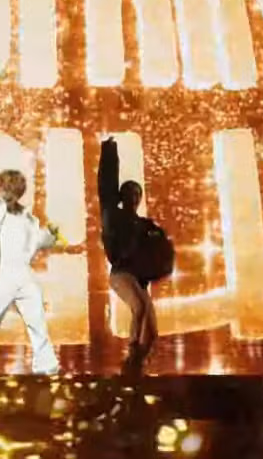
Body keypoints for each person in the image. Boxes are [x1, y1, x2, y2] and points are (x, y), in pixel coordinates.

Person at [0, 143, 63, 376]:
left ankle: (47, 367)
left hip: (24, 276)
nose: (7, 192)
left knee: (37, 321)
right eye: (4, 188)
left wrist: (52, 235)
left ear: (19, 192)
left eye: (12, 189)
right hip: (1, 277)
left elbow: (38, 241)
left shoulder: (28, 219)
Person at [98, 137, 167, 374]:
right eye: (129, 193)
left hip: (137, 279)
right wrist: (109, 152)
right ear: (122, 197)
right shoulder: (113, 215)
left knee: (153, 332)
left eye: (137, 193)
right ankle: (132, 351)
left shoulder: (145, 224)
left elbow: (160, 250)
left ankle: (136, 364)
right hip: (121, 274)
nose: (134, 197)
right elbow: (106, 187)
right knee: (138, 308)